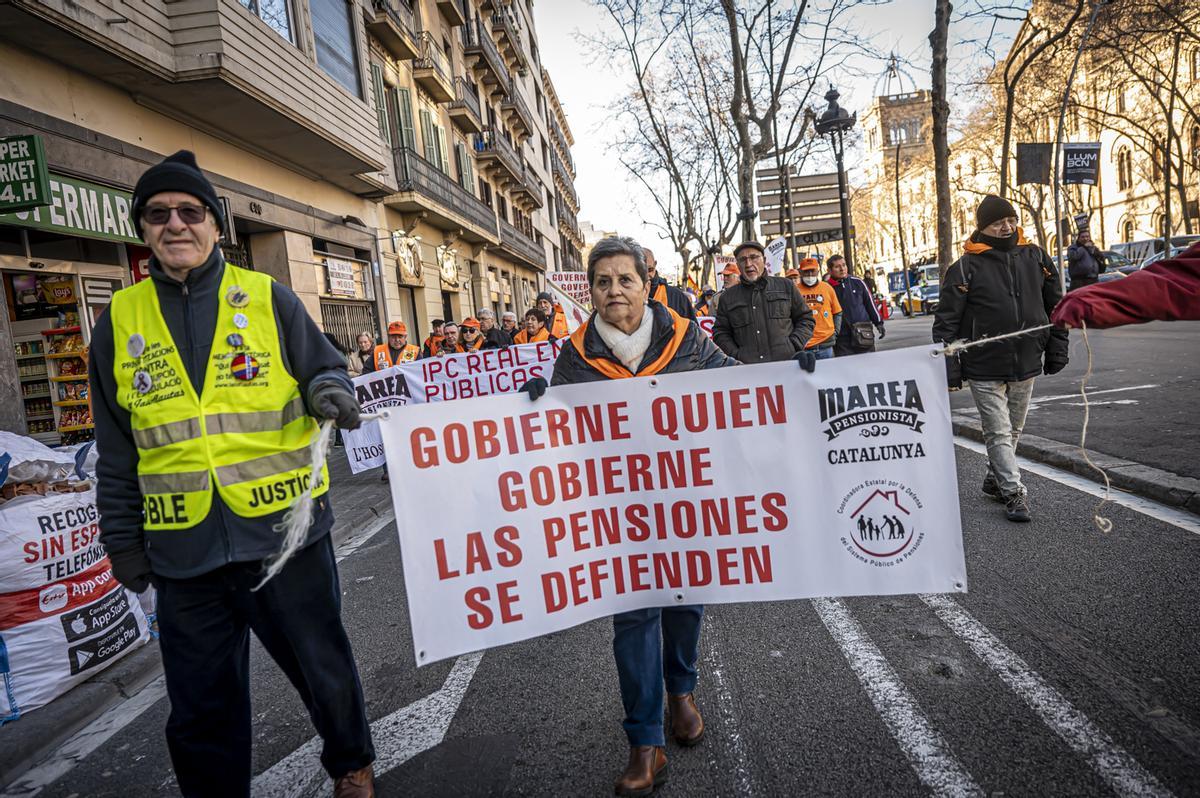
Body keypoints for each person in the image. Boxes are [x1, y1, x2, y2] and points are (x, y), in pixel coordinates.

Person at [88, 150, 375, 797]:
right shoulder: (118, 325)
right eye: (158, 213)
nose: (176, 224)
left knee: (322, 670)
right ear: (142, 228)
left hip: (285, 537)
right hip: (183, 555)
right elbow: (116, 452)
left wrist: (330, 391)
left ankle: (353, 765)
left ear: (217, 225)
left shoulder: (267, 299)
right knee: (200, 710)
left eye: (191, 211)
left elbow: (323, 369)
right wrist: (124, 544)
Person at [516, 236, 747, 796]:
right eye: (602, 282)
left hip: (685, 498)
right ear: (589, 291)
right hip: (617, 510)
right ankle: (645, 741)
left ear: (648, 284)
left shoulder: (687, 337)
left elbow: (736, 382)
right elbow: (557, 434)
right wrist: (531, 403)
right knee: (634, 616)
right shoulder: (573, 355)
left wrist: (798, 374)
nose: (614, 291)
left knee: (685, 602)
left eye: (625, 280)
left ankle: (681, 691)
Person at [933, 194, 1069, 524]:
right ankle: (1014, 492)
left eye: (1011, 220)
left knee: (1015, 428)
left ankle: (995, 479)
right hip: (983, 363)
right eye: (998, 223)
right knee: (998, 431)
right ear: (984, 228)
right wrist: (950, 367)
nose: (1007, 226)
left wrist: (1057, 346)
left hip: (1026, 357)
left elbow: (1057, 306)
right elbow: (947, 321)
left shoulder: (1036, 256)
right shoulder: (965, 267)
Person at [1053, 240, 1200, 328]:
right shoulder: (1076, 250)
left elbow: (1173, 285)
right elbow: (1177, 279)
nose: (1086, 239)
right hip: (1081, 284)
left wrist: (1091, 302)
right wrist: (1091, 301)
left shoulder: (1093, 250)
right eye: (1082, 237)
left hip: (1091, 282)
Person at [712, 241, 816, 364]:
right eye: (742, 259)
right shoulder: (727, 298)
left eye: (753, 257)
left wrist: (793, 345)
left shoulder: (786, 286)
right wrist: (736, 355)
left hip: (787, 364)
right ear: (738, 265)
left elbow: (806, 319)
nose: (748, 264)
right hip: (749, 370)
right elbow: (720, 333)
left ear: (764, 259)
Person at [827, 254, 884, 356]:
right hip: (841, 339)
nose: (842, 269)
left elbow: (870, 303)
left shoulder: (858, 282)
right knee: (847, 369)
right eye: (837, 266)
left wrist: (879, 323)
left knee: (870, 366)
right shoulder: (827, 288)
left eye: (844, 265)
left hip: (863, 332)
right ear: (829, 271)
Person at [790, 259, 842, 360]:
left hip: (826, 345)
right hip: (804, 346)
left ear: (818, 271)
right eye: (806, 271)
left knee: (828, 375)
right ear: (800, 272)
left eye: (812, 271)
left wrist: (835, 333)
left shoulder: (827, 288)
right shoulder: (794, 290)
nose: (810, 274)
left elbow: (837, 312)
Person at [642, 247, 697, 320]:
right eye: (641, 270)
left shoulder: (678, 297)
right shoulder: (624, 297)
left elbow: (693, 329)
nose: (646, 275)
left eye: (650, 269)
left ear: (655, 264)